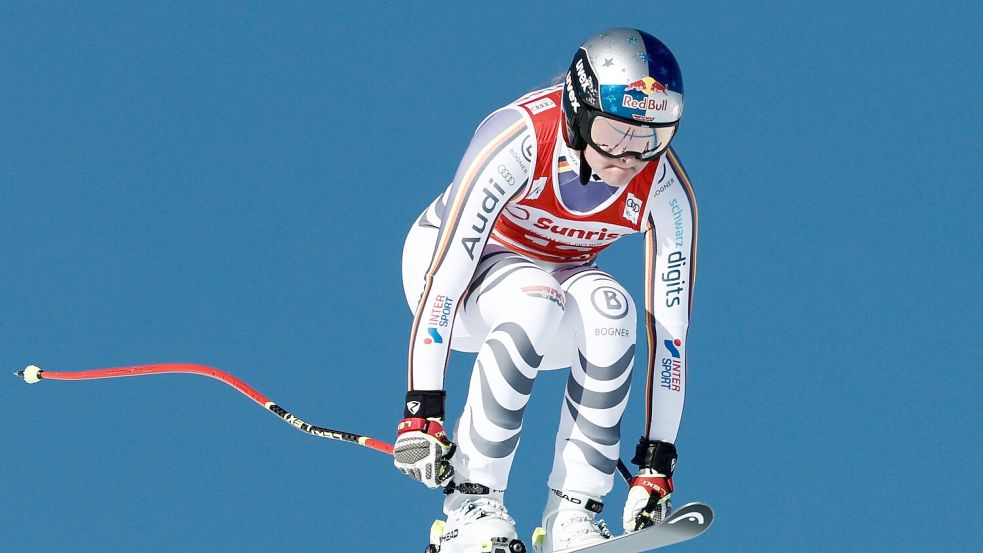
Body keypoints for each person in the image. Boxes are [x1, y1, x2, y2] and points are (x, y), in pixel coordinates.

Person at [394, 28, 697, 553]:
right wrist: (422, 411)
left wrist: (656, 465)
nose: (629, 158)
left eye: (652, 138)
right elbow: (444, 277)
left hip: (553, 290)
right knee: (535, 295)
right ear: (580, 111)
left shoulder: (664, 188)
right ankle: (472, 502)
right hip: (454, 278)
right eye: (615, 134)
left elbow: (670, 335)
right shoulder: (520, 137)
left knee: (613, 309)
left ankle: (574, 514)